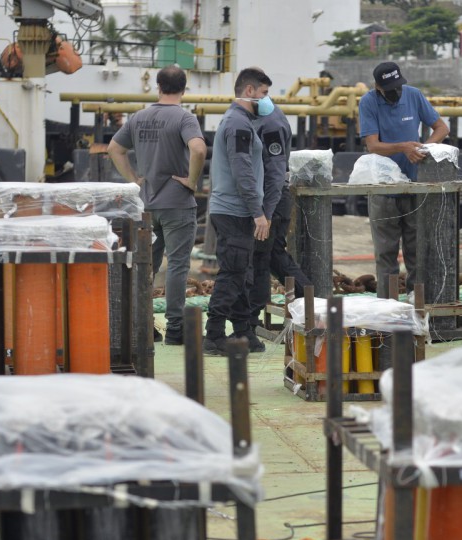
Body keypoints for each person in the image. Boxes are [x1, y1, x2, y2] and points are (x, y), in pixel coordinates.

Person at [108, 65, 207, 345]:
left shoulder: (138, 117)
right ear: (184, 89)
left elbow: (114, 149)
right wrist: (191, 181)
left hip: (146, 205)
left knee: (144, 265)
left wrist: (134, 180)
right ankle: (175, 329)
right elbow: (198, 149)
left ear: (158, 87)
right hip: (177, 204)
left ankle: (141, 325)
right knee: (177, 265)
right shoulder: (185, 118)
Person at [357, 61, 449, 294]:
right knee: (385, 253)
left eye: (398, 86)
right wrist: (403, 147)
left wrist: (423, 149)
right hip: (383, 187)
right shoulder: (368, 102)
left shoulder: (414, 95)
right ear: (378, 87)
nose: (395, 92)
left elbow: (441, 128)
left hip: (415, 185)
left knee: (417, 251)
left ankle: (417, 301)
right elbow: (373, 145)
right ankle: (388, 305)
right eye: (390, 89)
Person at [203, 67, 273, 356]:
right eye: (264, 93)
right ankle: (214, 335)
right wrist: (258, 212)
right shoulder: (238, 124)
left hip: (238, 211)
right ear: (249, 91)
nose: (267, 100)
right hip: (234, 210)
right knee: (233, 273)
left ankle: (244, 331)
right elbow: (242, 171)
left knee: (242, 272)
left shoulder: (242, 122)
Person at [246, 103, 312, 348]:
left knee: (261, 258)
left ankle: (251, 321)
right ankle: (311, 299)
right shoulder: (270, 117)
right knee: (273, 255)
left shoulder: (270, 122)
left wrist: (266, 211)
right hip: (273, 198)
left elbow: (274, 171)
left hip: (271, 199)